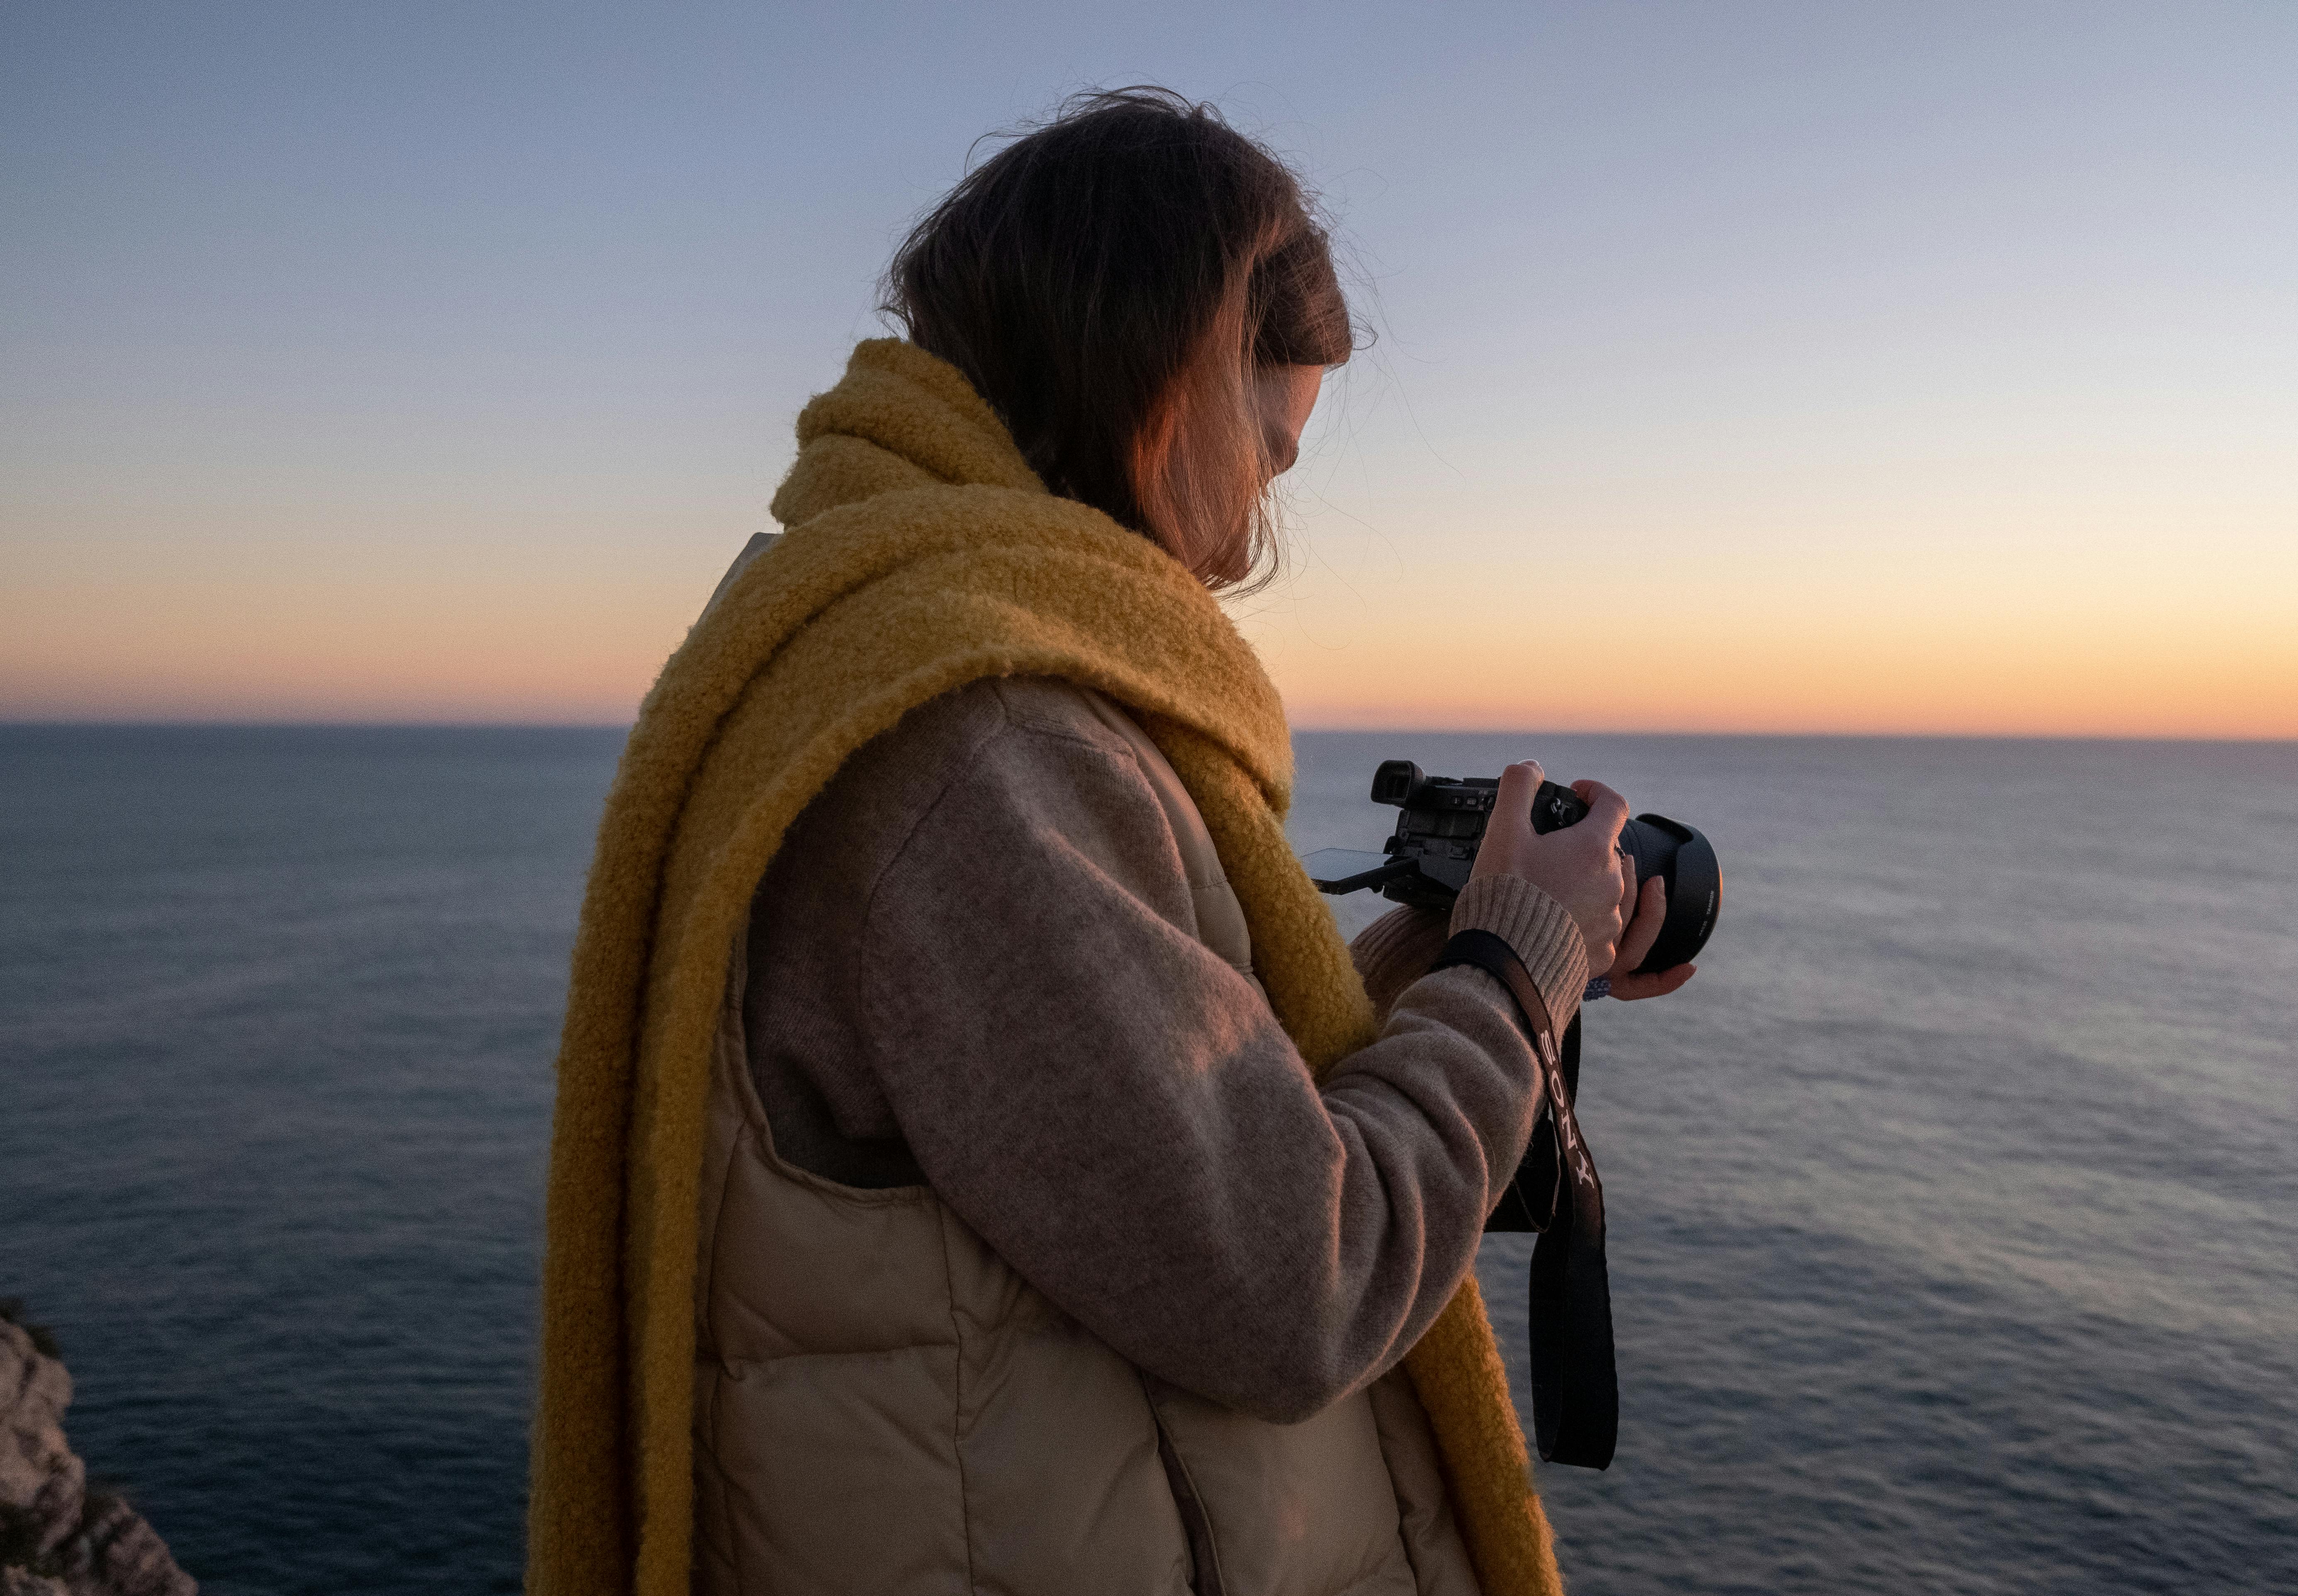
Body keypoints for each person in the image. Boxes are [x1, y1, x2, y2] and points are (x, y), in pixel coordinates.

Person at [528, 87, 1693, 1596]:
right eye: (1263, 456)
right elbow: (1294, 1285)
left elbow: (1121, 1115)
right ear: (1168, 385)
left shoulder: (904, 663)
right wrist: (1516, 979)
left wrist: (1467, 957)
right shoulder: (980, 742)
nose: (1239, 543)